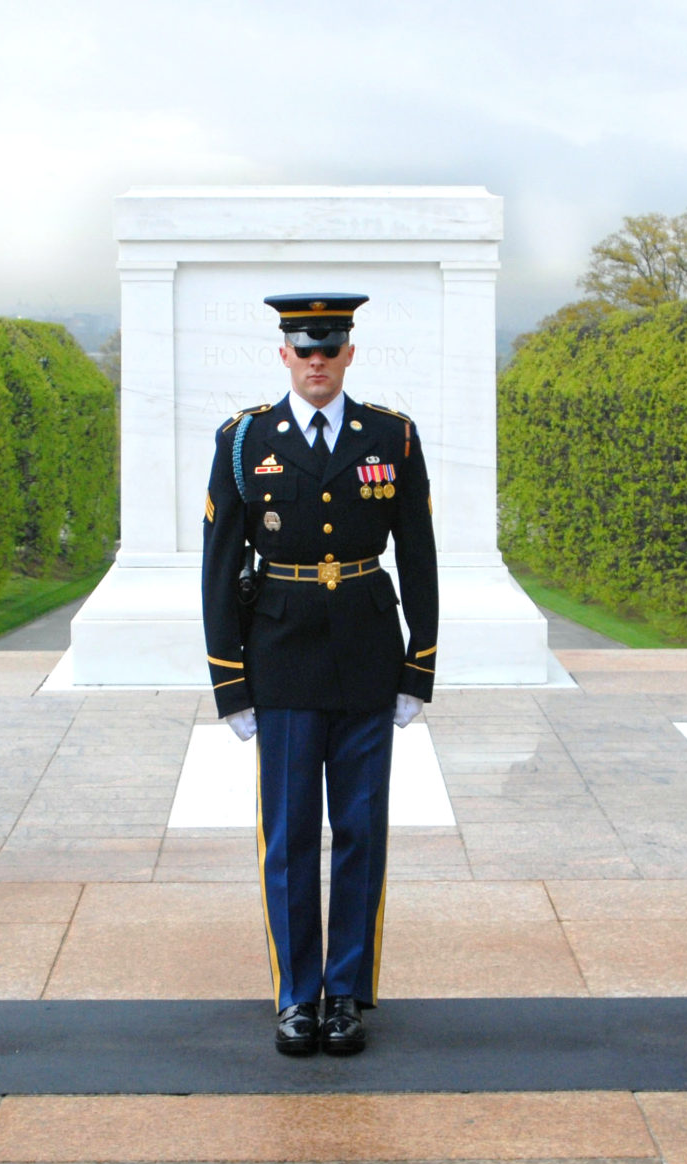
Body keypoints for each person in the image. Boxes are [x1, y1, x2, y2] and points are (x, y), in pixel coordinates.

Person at [200, 292, 439, 1057]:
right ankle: (297, 994)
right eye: (304, 349)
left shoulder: (392, 438)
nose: (316, 361)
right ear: (283, 355)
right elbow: (217, 568)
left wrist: (418, 665)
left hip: (369, 655)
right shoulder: (245, 441)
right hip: (283, 661)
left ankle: (346, 993)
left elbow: (421, 558)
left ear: (349, 353)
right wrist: (230, 680)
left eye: (329, 347)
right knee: (291, 835)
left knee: (361, 831)